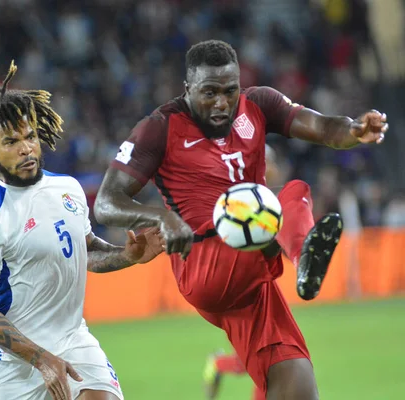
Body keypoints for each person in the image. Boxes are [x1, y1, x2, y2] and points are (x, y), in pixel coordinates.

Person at [93, 40, 388, 399]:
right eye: (209, 92)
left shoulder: (259, 104)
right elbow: (106, 203)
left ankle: (302, 261)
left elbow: (323, 127)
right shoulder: (160, 127)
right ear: (188, 89)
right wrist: (160, 217)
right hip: (203, 260)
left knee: (296, 383)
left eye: (230, 91)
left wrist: (353, 130)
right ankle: (301, 255)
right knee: (292, 194)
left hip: (250, 276)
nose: (221, 102)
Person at [0, 61, 164, 400]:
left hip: (73, 342)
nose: (25, 148)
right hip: (11, 368)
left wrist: (127, 255)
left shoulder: (68, 189)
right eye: (11, 141)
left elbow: (85, 250)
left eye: (30, 136)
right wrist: (39, 358)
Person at [201, 144, 283, 400]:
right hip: (241, 283)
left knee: (267, 358)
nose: (272, 168)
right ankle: (218, 364)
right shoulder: (238, 200)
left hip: (261, 280)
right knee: (265, 360)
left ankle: (218, 364)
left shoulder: (265, 198)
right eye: (267, 161)